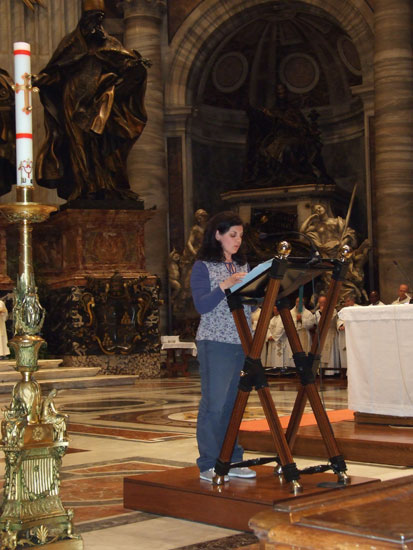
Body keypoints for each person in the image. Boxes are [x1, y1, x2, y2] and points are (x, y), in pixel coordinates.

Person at [34, 0, 149, 203]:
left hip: (98, 102)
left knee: (102, 145)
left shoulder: (110, 44)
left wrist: (136, 65)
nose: (96, 24)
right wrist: (42, 79)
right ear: (83, 22)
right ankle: (83, 188)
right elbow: (57, 71)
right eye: (92, 19)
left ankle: (106, 186)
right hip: (73, 102)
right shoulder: (70, 44)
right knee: (78, 145)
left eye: (99, 19)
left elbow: (127, 65)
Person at [190, 211, 256, 483]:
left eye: (240, 235)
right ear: (218, 235)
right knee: (214, 404)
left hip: (242, 340)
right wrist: (225, 286)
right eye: (233, 235)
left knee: (234, 404)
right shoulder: (203, 266)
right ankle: (208, 462)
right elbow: (202, 305)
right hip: (215, 342)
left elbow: (250, 304)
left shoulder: (244, 265)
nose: (238, 240)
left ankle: (232, 458)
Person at [314, 296, 339, 375]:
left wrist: (323, 312)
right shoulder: (317, 312)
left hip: (331, 333)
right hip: (321, 335)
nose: (322, 304)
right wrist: (321, 313)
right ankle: (322, 372)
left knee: (331, 353)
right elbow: (318, 322)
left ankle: (332, 371)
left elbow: (329, 320)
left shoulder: (333, 310)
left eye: (324, 302)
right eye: (321, 303)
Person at [337, 294, 359, 369]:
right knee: (345, 354)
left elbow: (357, 321)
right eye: (346, 302)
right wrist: (340, 325)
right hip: (345, 335)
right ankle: (345, 371)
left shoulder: (359, 309)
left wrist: (346, 325)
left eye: (348, 301)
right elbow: (339, 319)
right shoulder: (344, 310)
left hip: (355, 336)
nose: (346, 303)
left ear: (353, 301)